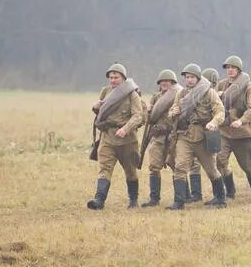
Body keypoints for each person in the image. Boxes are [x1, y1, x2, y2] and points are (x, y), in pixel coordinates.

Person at [167, 63, 226, 209]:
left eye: (192, 77)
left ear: (198, 78)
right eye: (187, 77)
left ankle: (220, 199)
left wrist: (214, 122)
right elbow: (173, 109)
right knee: (180, 167)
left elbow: (220, 111)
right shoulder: (181, 94)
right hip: (184, 136)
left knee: (211, 169)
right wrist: (173, 112)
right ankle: (179, 202)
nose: (189, 80)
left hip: (203, 136)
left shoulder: (209, 92)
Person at [87, 63, 144, 210]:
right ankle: (99, 200)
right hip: (107, 137)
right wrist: (96, 107)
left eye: (116, 77)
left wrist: (126, 129)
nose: (113, 80)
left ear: (123, 78)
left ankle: (133, 200)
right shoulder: (105, 91)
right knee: (104, 169)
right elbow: (101, 112)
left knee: (130, 171)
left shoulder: (132, 94)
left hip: (127, 140)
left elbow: (138, 116)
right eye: (111, 77)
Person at [216, 55, 251, 203]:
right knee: (220, 162)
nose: (230, 70)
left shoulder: (248, 87)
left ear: (239, 70)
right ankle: (229, 191)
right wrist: (217, 96)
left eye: (233, 68)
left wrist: (241, 121)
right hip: (224, 131)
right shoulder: (221, 85)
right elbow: (213, 105)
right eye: (228, 68)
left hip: (242, 134)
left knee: (248, 167)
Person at [141, 69, 182, 207]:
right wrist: (148, 111)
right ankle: (154, 199)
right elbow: (149, 120)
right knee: (154, 166)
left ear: (173, 83)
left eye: (167, 81)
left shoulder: (179, 95)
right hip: (157, 136)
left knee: (176, 166)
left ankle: (182, 197)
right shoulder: (155, 97)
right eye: (162, 81)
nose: (164, 83)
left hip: (173, 136)